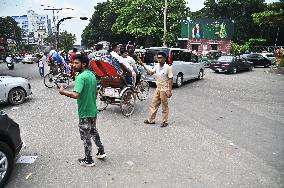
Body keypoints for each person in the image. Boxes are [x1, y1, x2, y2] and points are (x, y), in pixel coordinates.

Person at [59, 53, 106, 167]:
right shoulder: (92, 75)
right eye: (73, 63)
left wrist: (62, 91)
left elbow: (76, 95)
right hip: (93, 110)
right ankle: (101, 151)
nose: (73, 65)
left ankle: (88, 159)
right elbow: (95, 92)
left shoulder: (80, 77)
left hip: (85, 112)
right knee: (93, 131)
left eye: (76, 63)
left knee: (86, 136)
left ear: (83, 64)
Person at [139, 52, 173, 127]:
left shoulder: (168, 68)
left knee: (164, 106)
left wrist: (169, 91)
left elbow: (170, 79)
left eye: (161, 58)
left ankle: (165, 121)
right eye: (158, 58)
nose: (159, 59)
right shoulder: (156, 65)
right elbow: (151, 73)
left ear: (164, 58)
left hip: (164, 89)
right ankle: (150, 120)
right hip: (158, 88)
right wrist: (143, 66)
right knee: (154, 104)